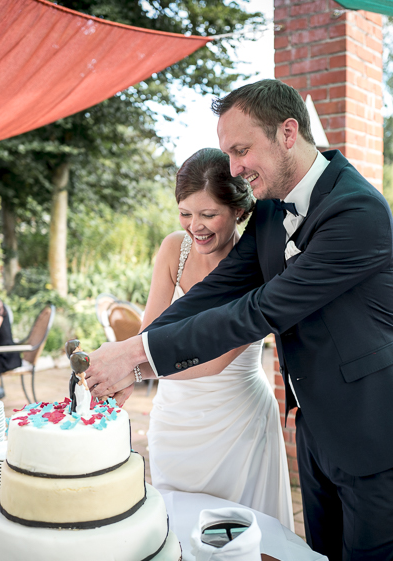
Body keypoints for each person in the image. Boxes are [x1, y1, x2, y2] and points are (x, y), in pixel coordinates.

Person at [83, 79, 393, 561]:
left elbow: (260, 309)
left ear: (288, 133)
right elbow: (219, 289)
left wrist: (137, 355)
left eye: (240, 149)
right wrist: (132, 362)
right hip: (318, 429)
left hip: (378, 429)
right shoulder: (273, 208)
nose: (233, 168)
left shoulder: (358, 211)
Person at [118, 148, 293, 529]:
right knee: (177, 532)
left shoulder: (259, 263)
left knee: (244, 539)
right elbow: (151, 332)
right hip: (174, 421)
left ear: (239, 211)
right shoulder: (172, 250)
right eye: (185, 213)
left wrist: (130, 372)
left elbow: (214, 360)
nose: (194, 226)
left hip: (239, 424)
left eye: (208, 214)